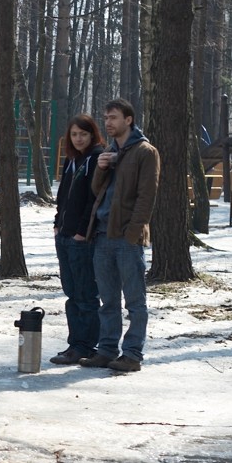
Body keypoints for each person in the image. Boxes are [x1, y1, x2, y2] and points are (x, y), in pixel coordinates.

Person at [81, 98, 160, 373]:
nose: (108, 123)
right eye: (105, 118)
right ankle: (106, 351)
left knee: (135, 301)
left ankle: (132, 354)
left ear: (128, 120)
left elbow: (146, 196)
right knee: (108, 301)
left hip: (127, 239)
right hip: (102, 235)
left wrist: (133, 233)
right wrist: (101, 168)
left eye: (113, 117)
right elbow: (96, 191)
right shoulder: (110, 150)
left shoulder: (144, 152)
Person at [50, 114, 105, 365]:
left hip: (82, 238)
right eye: (74, 134)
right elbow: (64, 196)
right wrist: (57, 223)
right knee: (72, 293)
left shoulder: (96, 158)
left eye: (83, 133)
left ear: (92, 134)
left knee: (85, 294)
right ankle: (75, 343)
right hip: (63, 234)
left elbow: (95, 199)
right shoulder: (73, 160)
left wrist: (82, 230)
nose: (79, 138)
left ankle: (86, 345)